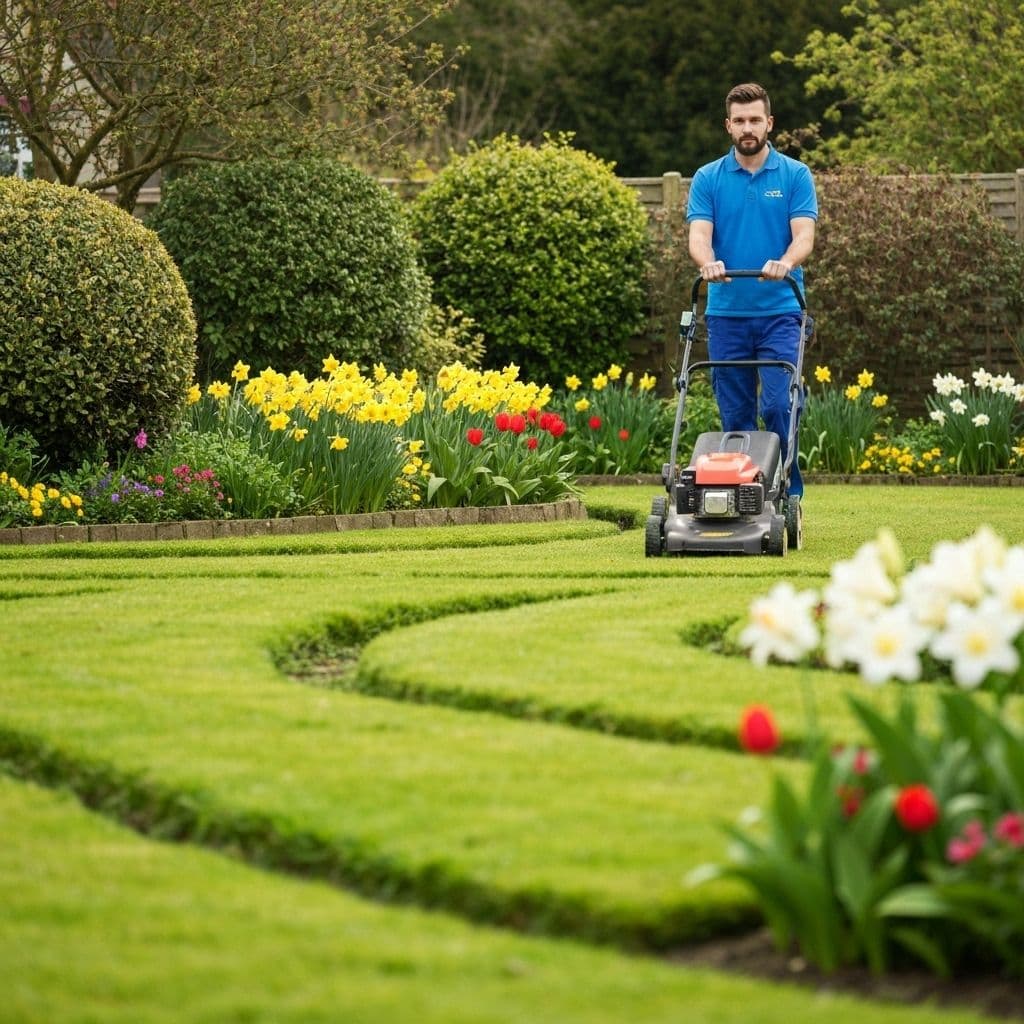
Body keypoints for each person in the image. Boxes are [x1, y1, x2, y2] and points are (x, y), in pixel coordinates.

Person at [686, 82, 817, 506]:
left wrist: (786, 262)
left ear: (769, 123)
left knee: (780, 405)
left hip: (781, 311)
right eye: (739, 120)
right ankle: (742, 496)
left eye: (755, 119)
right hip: (727, 315)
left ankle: (787, 494)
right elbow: (699, 236)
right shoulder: (708, 178)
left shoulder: (796, 175)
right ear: (728, 126)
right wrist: (708, 262)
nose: (748, 127)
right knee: (736, 417)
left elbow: (804, 236)